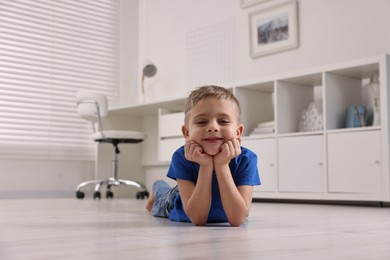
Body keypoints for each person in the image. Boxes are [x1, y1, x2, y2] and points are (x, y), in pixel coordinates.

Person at [145, 85, 260, 226]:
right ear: (186, 133)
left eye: (223, 121)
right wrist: (205, 166)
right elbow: (198, 219)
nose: (213, 127)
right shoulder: (182, 156)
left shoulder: (247, 159)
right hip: (178, 202)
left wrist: (222, 165)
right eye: (201, 122)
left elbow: (238, 218)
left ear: (238, 132)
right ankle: (157, 184)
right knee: (163, 195)